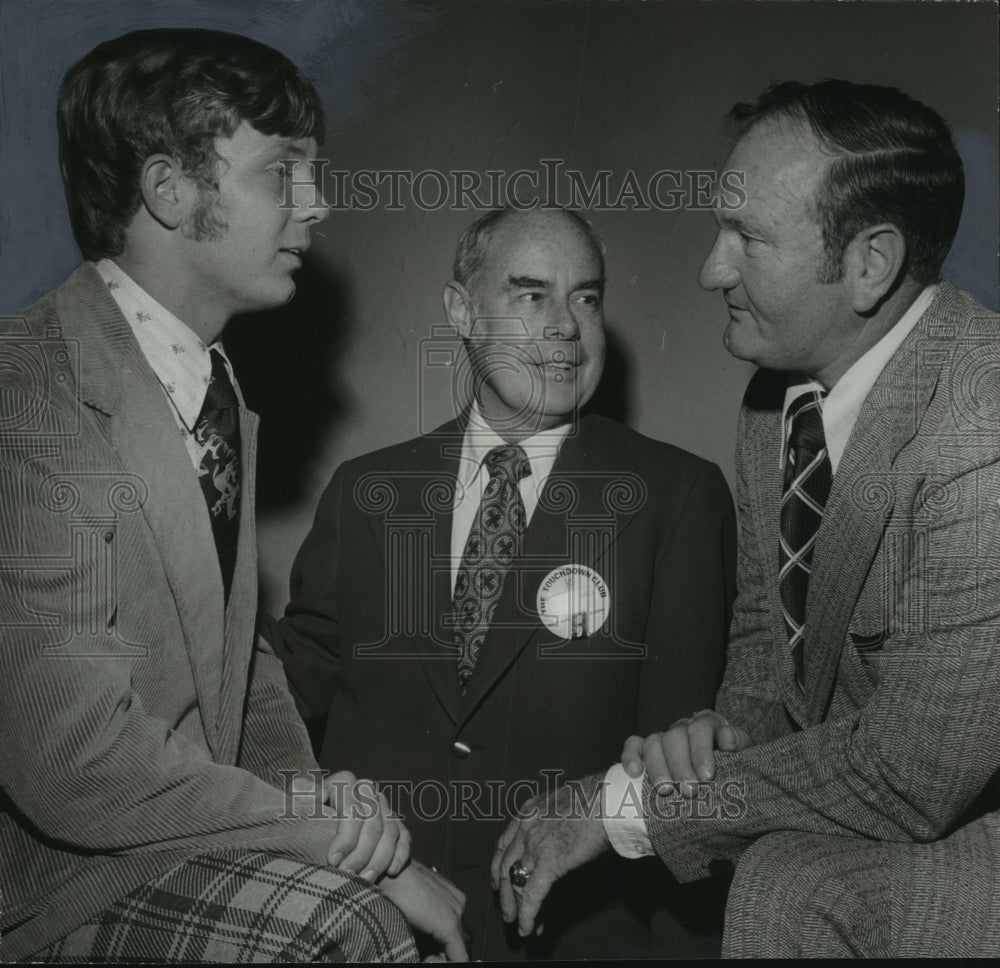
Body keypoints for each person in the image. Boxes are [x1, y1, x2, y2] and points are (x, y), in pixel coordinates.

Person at [490, 78, 1000, 958]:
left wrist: (621, 808)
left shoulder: (981, 421)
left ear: (871, 264)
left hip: (961, 817)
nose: (709, 268)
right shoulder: (777, 403)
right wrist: (720, 738)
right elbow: (771, 656)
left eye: (748, 238)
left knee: (783, 884)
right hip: (891, 802)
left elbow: (918, 770)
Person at [0, 28, 466, 964]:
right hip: (63, 879)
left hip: (173, 840)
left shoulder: (209, 389)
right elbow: (71, 761)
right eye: (281, 173)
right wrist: (333, 842)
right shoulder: (32, 389)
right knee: (350, 924)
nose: (318, 205)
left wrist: (321, 800)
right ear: (169, 191)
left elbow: (238, 667)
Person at [266, 205, 737, 959]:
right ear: (461, 310)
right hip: (376, 928)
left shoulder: (674, 496)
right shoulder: (366, 491)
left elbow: (676, 758)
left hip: (573, 935)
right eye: (531, 296)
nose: (565, 327)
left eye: (586, 297)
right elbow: (286, 696)